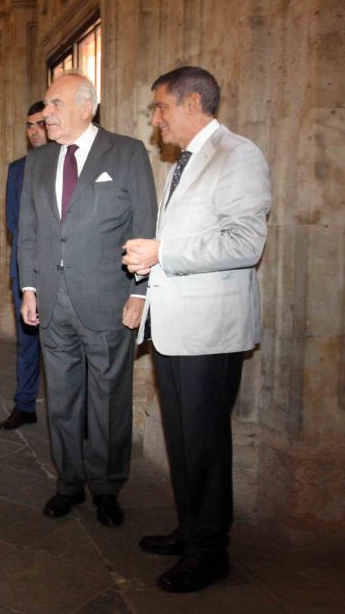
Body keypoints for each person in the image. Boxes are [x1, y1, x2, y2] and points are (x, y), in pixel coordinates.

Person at [123, 66, 271, 593]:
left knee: (204, 443)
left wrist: (164, 253)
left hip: (210, 329)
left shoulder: (238, 155)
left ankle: (210, 553)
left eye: (160, 107)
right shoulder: (183, 162)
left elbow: (244, 244)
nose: (155, 119)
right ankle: (191, 530)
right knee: (184, 441)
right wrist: (152, 270)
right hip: (177, 325)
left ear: (191, 102)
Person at [18, 71, 157, 527]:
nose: (45, 114)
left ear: (86, 106)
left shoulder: (127, 152)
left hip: (107, 299)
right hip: (52, 302)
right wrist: (29, 288)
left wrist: (140, 292)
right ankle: (68, 483)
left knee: (109, 399)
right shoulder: (38, 162)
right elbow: (30, 231)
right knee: (60, 398)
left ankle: (107, 486)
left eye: (55, 105)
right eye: (44, 106)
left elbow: (145, 225)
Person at [0, 100, 48, 430]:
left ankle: (70, 412)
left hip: (64, 271)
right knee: (27, 342)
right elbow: (13, 222)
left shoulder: (67, 164)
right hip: (26, 271)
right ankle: (25, 404)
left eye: (40, 124)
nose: (33, 131)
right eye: (29, 126)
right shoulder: (17, 169)